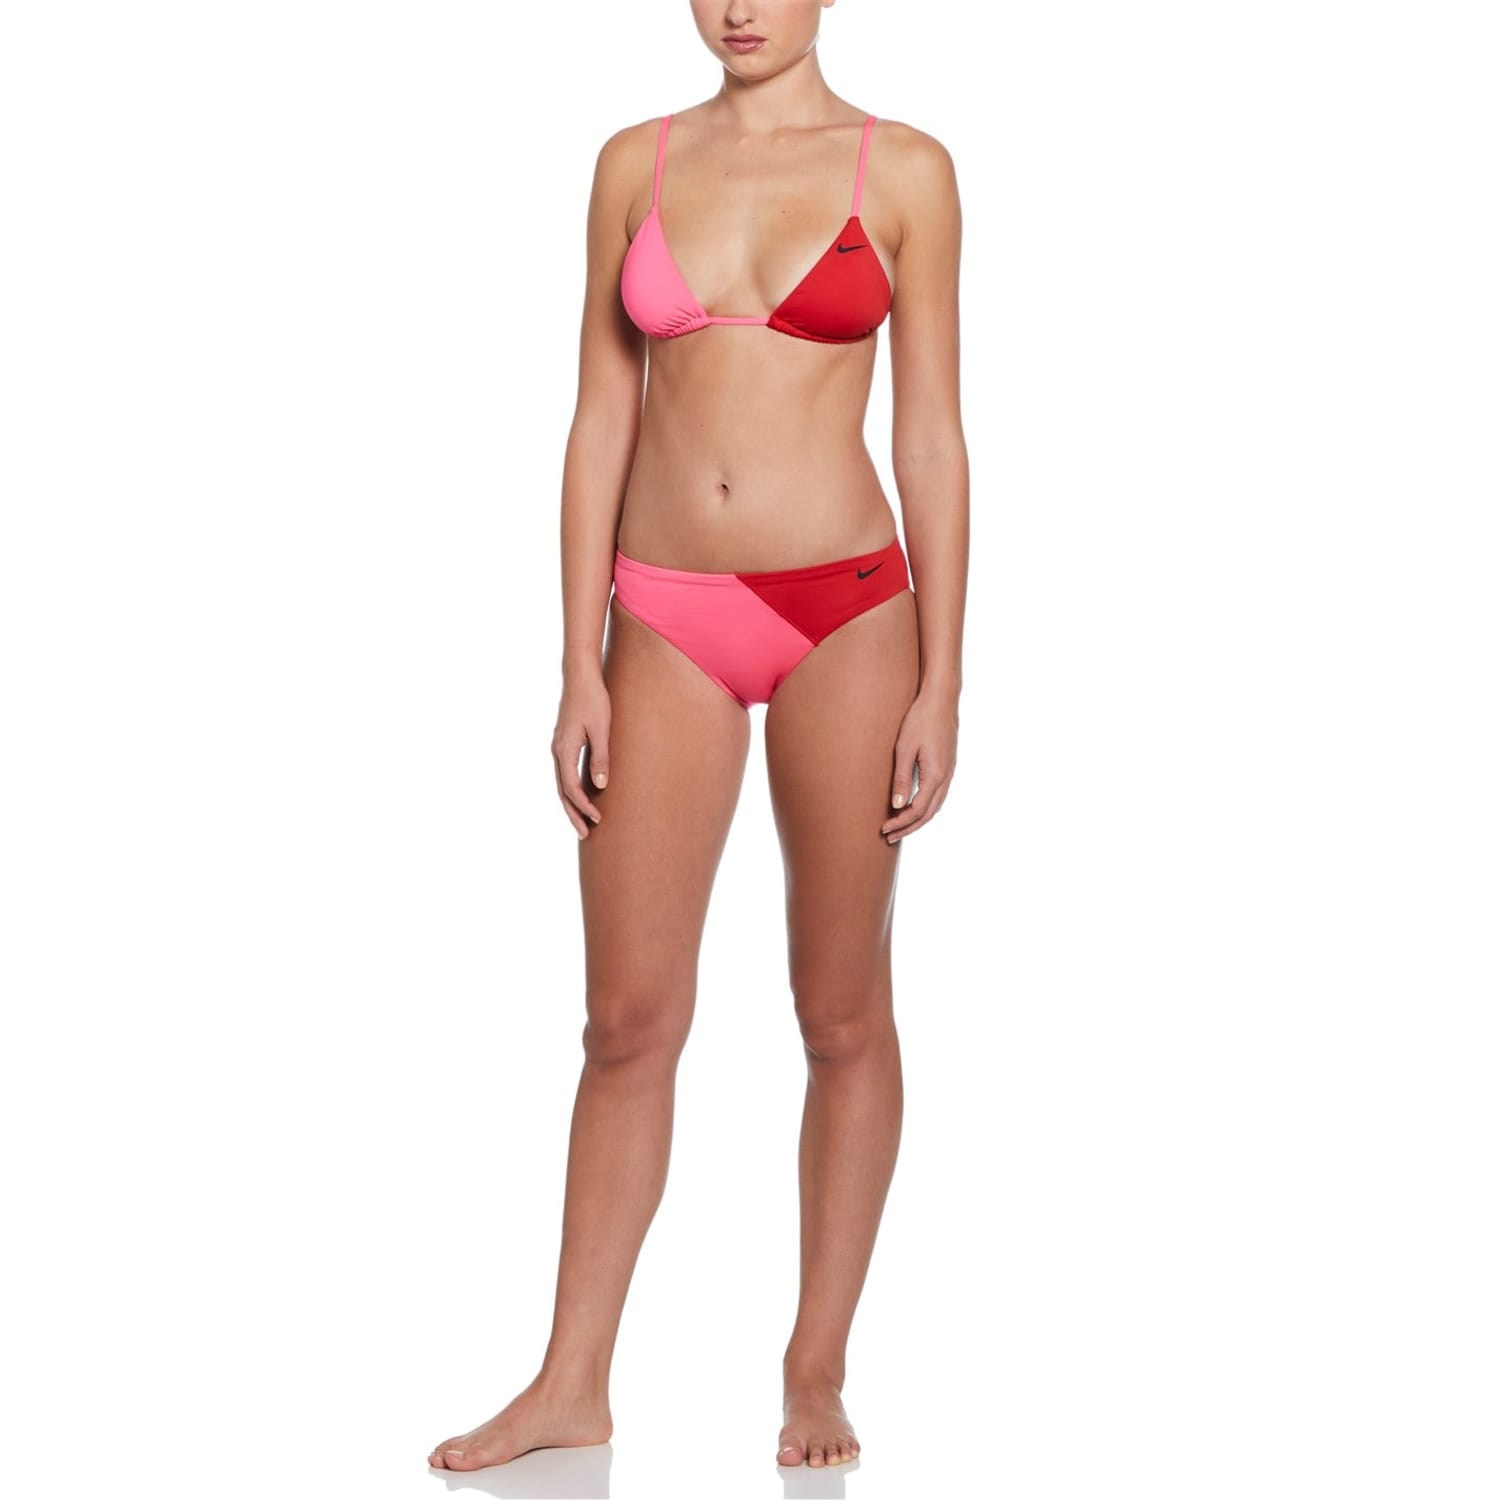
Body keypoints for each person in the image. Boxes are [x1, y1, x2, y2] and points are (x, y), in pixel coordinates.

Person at [429, 1, 967, 1475]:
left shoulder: (904, 170)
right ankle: (570, 1381)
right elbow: (598, 418)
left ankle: (815, 1368)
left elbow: (930, 436)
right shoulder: (634, 163)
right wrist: (576, 661)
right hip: (660, 615)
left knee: (839, 1013)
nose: (737, 7)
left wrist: (944, 680)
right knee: (624, 1022)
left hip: (848, 614)